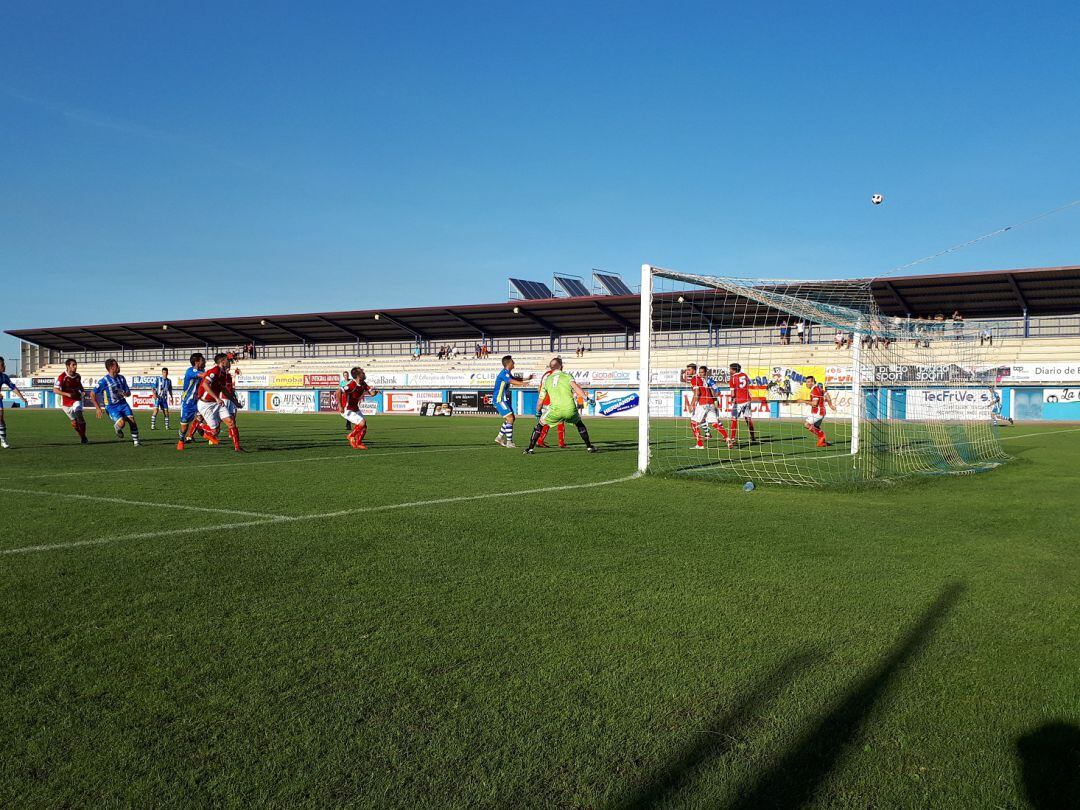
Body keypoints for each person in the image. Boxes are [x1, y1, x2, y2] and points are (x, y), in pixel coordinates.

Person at [524, 357, 597, 453]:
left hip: (555, 410)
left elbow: (540, 401)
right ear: (561, 366)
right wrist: (587, 399)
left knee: (540, 425)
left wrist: (538, 412)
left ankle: (530, 448)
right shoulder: (567, 376)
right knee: (579, 424)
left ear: (551, 368)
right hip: (570, 409)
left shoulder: (547, 380)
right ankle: (589, 447)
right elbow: (576, 388)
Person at [193, 353, 243, 451]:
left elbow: (224, 390)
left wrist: (234, 401)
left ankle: (237, 447)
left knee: (231, 422)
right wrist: (217, 398)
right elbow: (205, 385)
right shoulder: (214, 371)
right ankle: (200, 426)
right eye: (227, 360)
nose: (229, 362)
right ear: (222, 361)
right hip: (206, 404)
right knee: (215, 432)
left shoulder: (225, 374)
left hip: (217, 403)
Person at [91, 358, 140, 446]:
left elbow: (128, 393)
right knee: (122, 423)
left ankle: (136, 442)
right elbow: (92, 394)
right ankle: (117, 427)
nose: (118, 366)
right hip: (111, 407)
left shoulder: (121, 378)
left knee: (132, 420)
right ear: (111, 368)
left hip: (123, 404)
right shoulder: (104, 381)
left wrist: (125, 393)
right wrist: (98, 408)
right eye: (116, 365)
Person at [493, 355, 535, 448]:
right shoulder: (504, 373)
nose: (514, 363)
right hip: (499, 399)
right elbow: (512, 381)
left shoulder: (507, 373)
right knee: (510, 418)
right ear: (508, 363)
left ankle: (499, 437)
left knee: (511, 419)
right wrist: (522, 384)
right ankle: (509, 442)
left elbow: (514, 379)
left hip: (503, 399)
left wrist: (527, 379)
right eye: (512, 361)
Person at [339, 367, 380, 449]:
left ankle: (358, 443)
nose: (364, 373)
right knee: (362, 422)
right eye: (362, 372)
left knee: (364, 426)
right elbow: (338, 392)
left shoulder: (363, 383)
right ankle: (351, 436)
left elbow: (371, 393)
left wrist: (375, 392)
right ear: (358, 376)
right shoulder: (352, 385)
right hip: (347, 409)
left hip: (355, 408)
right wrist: (340, 406)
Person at [688, 364, 727, 449]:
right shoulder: (705, 379)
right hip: (710, 403)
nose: (687, 372)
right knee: (714, 423)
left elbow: (697, 393)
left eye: (689, 370)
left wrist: (692, 404)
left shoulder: (695, 378)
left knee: (694, 422)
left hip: (704, 403)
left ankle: (700, 444)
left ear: (694, 370)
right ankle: (727, 438)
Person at [176, 352, 207, 451]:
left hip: (198, 401)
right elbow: (203, 375)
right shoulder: (191, 371)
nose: (204, 361)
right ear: (197, 362)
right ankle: (181, 439)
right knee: (184, 426)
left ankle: (199, 430)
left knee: (201, 417)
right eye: (202, 360)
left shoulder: (202, 370)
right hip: (188, 402)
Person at [53, 358, 88, 444]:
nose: (75, 367)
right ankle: (81, 435)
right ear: (68, 366)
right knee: (74, 423)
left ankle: (83, 437)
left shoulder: (78, 376)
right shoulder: (62, 377)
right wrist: (68, 394)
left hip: (76, 399)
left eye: (76, 365)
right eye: (73, 365)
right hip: (65, 403)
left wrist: (83, 391)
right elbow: (55, 390)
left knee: (79, 414)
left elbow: (79, 385)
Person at [535, 357, 568, 448]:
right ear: (560, 366)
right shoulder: (557, 375)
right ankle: (542, 441)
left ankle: (541, 440)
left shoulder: (545, 374)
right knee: (557, 421)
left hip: (545, 401)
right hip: (553, 402)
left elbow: (539, 389)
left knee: (551, 421)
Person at [726, 362, 757, 447]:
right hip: (747, 399)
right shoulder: (745, 375)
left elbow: (732, 394)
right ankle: (753, 437)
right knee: (748, 419)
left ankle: (732, 438)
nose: (729, 371)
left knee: (734, 419)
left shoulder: (733, 378)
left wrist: (732, 398)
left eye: (730, 369)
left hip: (739, 401)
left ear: (734, 370)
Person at [0, 357, 29, 449]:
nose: (4, 366)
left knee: (0, 418)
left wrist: (22, 398)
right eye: (2, 365)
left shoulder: (4, 376)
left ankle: (3, 440)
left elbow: (13, 387)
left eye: (4, 364)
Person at [804, 375, 833, 447]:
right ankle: (822, 442)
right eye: (806, 382)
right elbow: (827, 395)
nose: (807, 383)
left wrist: (803, 401)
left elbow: (814, 403)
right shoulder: (819, 389)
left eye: (808, 382)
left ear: (813, 382)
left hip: (818, 412)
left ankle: (822, 436)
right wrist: (830, 405)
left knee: (807, 424)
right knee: (816, 427)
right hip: (821, 412)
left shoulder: (815, 390)